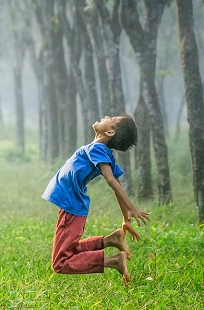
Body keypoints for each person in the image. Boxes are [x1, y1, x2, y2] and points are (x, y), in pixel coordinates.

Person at [41, 115, 150, 286]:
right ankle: (111, 240)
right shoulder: (101, 151)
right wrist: (125, 217)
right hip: (72, 205)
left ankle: (113, 261)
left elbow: (112, 180)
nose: (106, 116)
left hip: (71, 206)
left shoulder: (98, 149)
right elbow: (117, 182)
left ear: (109, 131)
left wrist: (131, 208)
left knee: (60, 263)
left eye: (111, 118)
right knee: (69, 250)